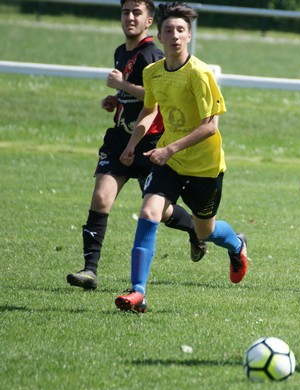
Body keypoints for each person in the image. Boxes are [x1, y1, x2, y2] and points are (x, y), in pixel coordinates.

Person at [115, 1, 247, 312]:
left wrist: (170, 148)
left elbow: (210, 127)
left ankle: (237, 244)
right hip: (170, 163)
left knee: (205, 231)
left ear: (189, 36)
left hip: (204, 167)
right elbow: (150, 110)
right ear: (159, 36)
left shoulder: (199, 74)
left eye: (180, 30)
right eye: (169, 30)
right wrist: (132, 144)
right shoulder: (153, 73)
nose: (174, 35)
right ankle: (138, 293)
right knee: (149, 212)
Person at [66, 0, 206, 291]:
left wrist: (122, 86)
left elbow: (155, 97)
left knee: (161, 212)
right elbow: (134, 95)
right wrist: (117, 100)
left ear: (149, 21)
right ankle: (89, 270)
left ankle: (194, 228)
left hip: (150, 142)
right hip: (120, 138)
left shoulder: (153, 55)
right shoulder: (122, 51)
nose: (130, 17)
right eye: (125, 12)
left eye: (137, 13)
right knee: (101, 197)